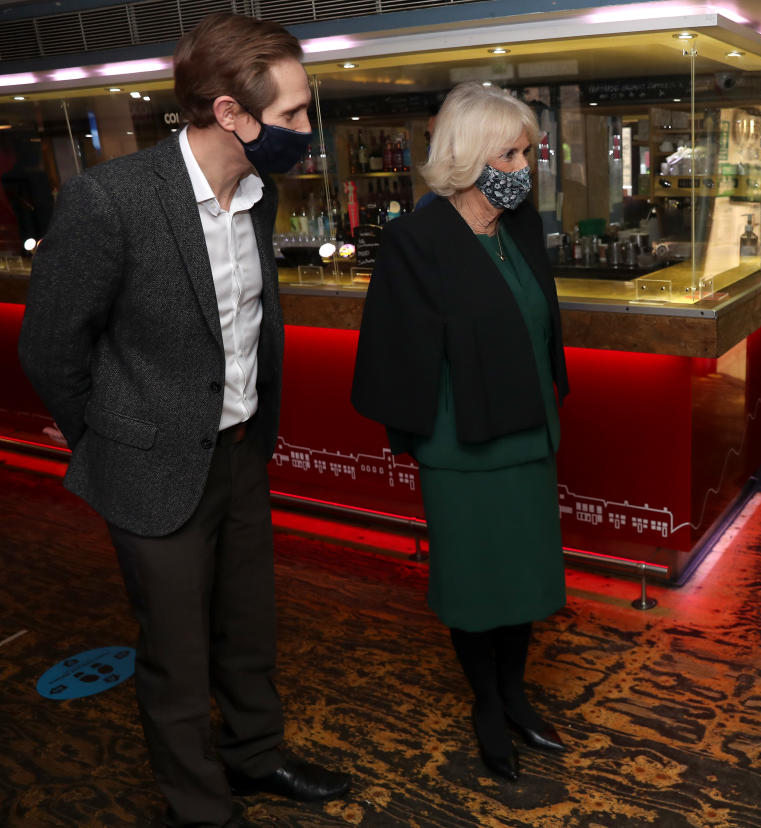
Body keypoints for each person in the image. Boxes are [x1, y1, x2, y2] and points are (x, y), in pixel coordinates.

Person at [18, 13, 350, 827]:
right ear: (232, 114)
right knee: (175, 651)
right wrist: (111, 438)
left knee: (248, 627)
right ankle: (202, 809)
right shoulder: (111, 200)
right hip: (150, 466)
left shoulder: (258, 197)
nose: (308, 129)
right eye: (295, 114)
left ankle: (255, 757)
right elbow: (50, 347)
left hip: (238, 454)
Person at [351, 82, 569, 782]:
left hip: (528, 439)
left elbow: (542, 333)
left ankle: (515, 694)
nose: (524, 165)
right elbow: (396, 352)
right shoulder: (419, 239)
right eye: (510, 152)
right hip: (461, 450)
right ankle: (486, 705)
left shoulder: (522, 227)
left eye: (528, 151)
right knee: (478, 589)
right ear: (471, 156)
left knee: (525, 581)